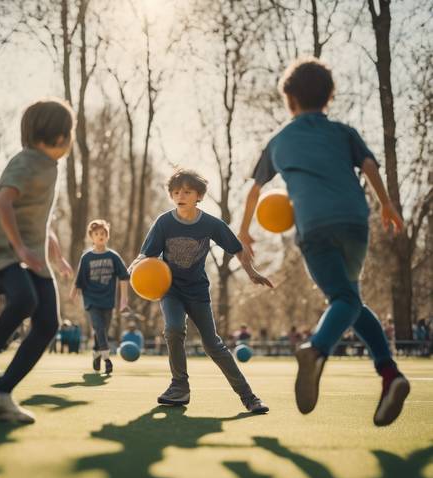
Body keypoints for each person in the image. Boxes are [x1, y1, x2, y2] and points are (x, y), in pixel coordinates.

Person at [238, 58, 409, 426]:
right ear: (328, 98)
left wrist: (244, 230)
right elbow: (369, 167)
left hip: (314, 227)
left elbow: (255, 190)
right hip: (353, 221)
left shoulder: (279, 141)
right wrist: (386, 205)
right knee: (351, 300)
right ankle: (390, 373)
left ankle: (315, 350)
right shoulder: (344, 133)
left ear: (290, 100)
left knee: (343, 299)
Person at [0, 98, 75, 424]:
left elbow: (40, 218)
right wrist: (20, 249)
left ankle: (1, 391)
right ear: (59, 135)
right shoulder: (26, 161)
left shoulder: (51, 167)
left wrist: (56, 253)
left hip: (32, 250)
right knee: (24, 300)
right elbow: (4, 203)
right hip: (4, 247)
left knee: (48, 322)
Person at [131, 169, 273, 414]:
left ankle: (249, 397)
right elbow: (148, 254)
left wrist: (252, 272)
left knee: (213, 345)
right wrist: (137, 264)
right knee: (174, 329)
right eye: (176, 192)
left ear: (199, 196)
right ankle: (179, 387)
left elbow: (237, 248)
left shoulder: (210, 223)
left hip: (197, 291)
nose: (180, 196)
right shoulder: (164, 222)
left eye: (187, 191)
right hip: (170, 289)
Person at [71, 219, 129, 374]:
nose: (100, 236)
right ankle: (106, 359)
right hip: (91, 300)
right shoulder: (87, 257)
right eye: (96, 234)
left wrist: (124, 300)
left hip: (108, 301)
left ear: (107, 236)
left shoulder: (113, 256)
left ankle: (96, 354)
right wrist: (73, 292)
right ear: (91, 237)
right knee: (99, 327)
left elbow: (124, 277)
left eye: (103, 233)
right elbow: (79, 279)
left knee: (102, 330)